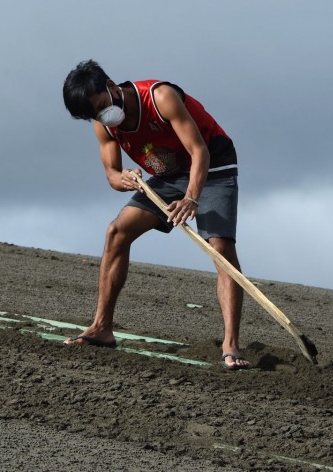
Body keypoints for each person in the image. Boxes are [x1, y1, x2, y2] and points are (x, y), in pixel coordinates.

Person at [61, 60, 250, 370]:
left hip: (211, 164)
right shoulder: (102, 123)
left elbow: (199, 150)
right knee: (116, 231)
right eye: (93, 115)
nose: (101, 116)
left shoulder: (160, 97)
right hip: (170, 173)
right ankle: (101, 329)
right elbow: (111, 173)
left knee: (220, 247)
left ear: (110, 86)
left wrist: (191, 198)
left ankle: (230, 345)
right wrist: (122, 179)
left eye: (101, 106)